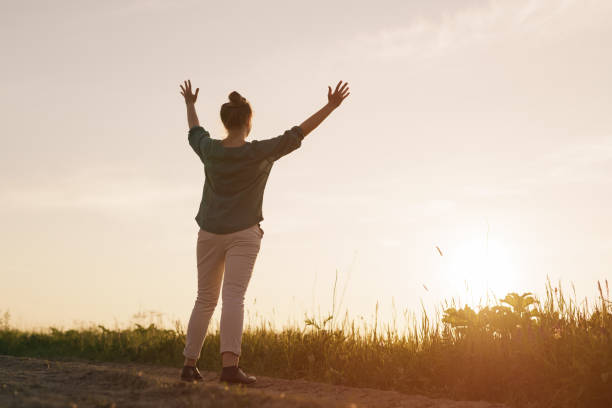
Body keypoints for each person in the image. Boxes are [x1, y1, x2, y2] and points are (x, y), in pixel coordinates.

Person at [178, 79, 350, 384]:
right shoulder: (259, 152)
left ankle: (189, 365)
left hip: (208, 233)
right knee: (233, 297)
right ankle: (229, 368)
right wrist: (331, 107)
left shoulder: (210, 150)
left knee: (204, 298)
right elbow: (298, 133)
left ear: (225, 121)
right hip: (244, 233)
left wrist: (190, 103)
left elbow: (194, 131)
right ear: (248, 122)